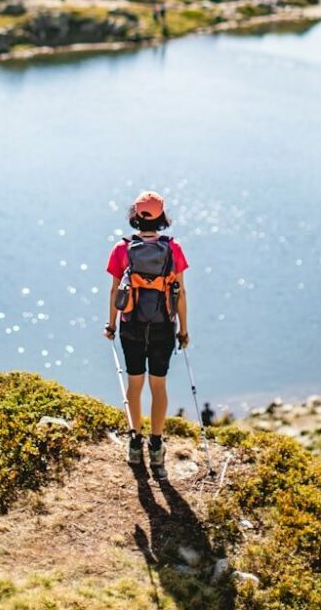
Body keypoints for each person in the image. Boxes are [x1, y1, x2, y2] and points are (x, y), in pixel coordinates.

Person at [105, 190, 189, 468]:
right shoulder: (173, 248)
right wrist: (183, 331)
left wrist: (111, 324)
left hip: (132, 325)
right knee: (158, 385)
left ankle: (134, 442)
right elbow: (181, 293)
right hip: (163, 325)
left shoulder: (121, 249)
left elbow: (115, 290)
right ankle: (155, 445)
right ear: (162, 217)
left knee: (134, 384)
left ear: (135, 216)